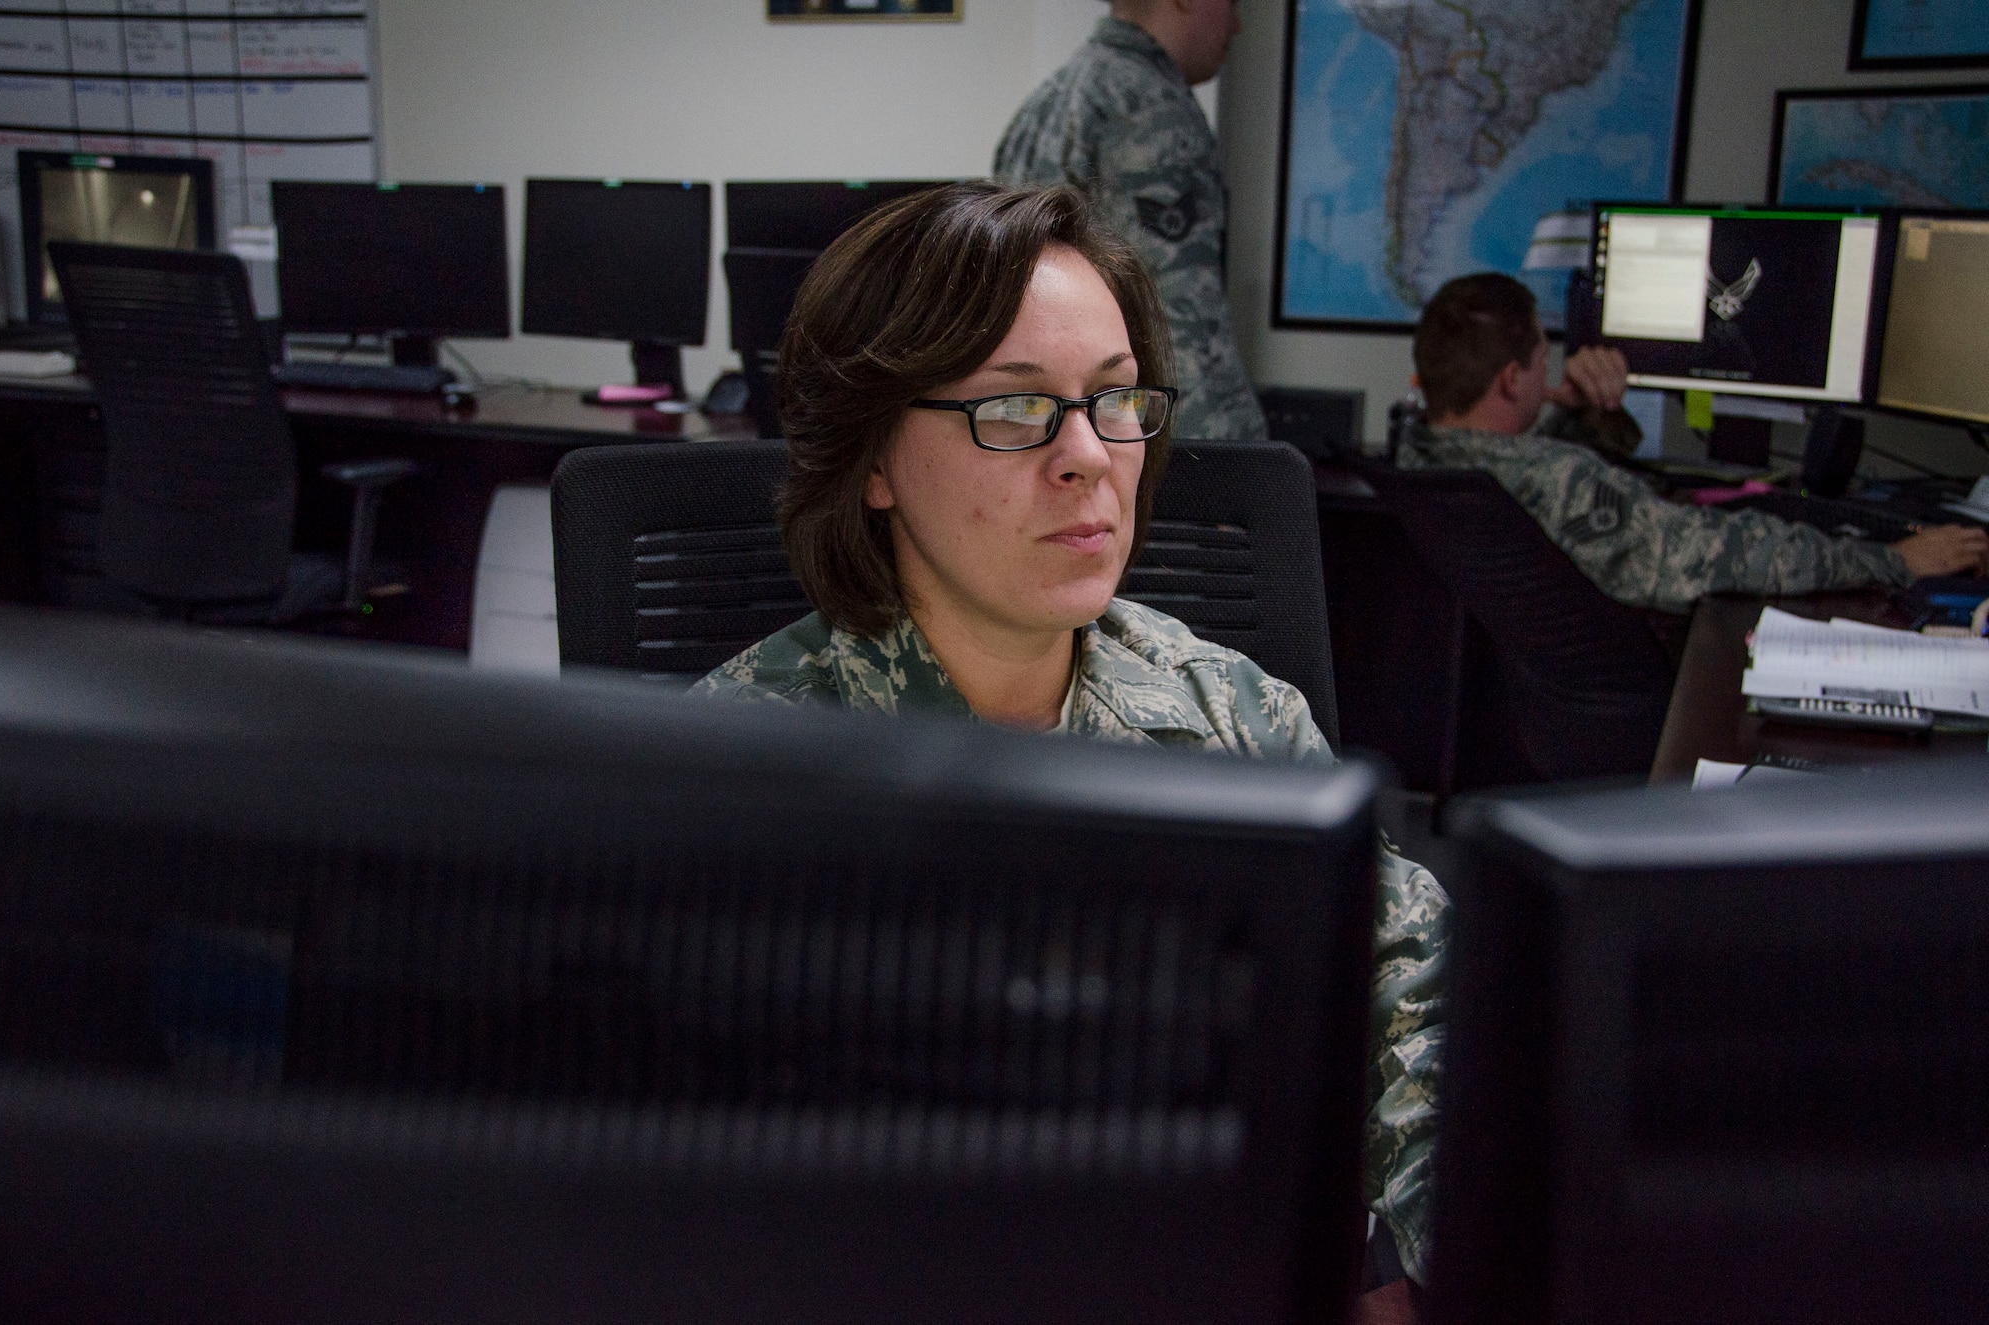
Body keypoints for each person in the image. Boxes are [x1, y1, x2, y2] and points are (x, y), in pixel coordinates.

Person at [695, 182, 1445, 1315]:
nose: (1089, 456)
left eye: (1113, 399)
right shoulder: (735, 781)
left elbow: (1411, 989)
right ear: (875, 461)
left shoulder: (1228, 714)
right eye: (1012, 411)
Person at [1397, 273, 1989, 615]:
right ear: (1510, 378)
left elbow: (1543, 485)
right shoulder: (1562, 482)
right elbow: (1727, 553)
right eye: (1539, 361)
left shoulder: (1416, 459)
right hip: (1635, 694)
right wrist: (1895, 559)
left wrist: (1584, 415)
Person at [993, 0, 1267, 444]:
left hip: (1046, 426)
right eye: (1232, 4)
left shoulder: (1044, 102)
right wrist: (1236, 468)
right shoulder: (1152, 107)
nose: (1235, 26)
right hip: (1147, 438)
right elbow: (1184, 320)